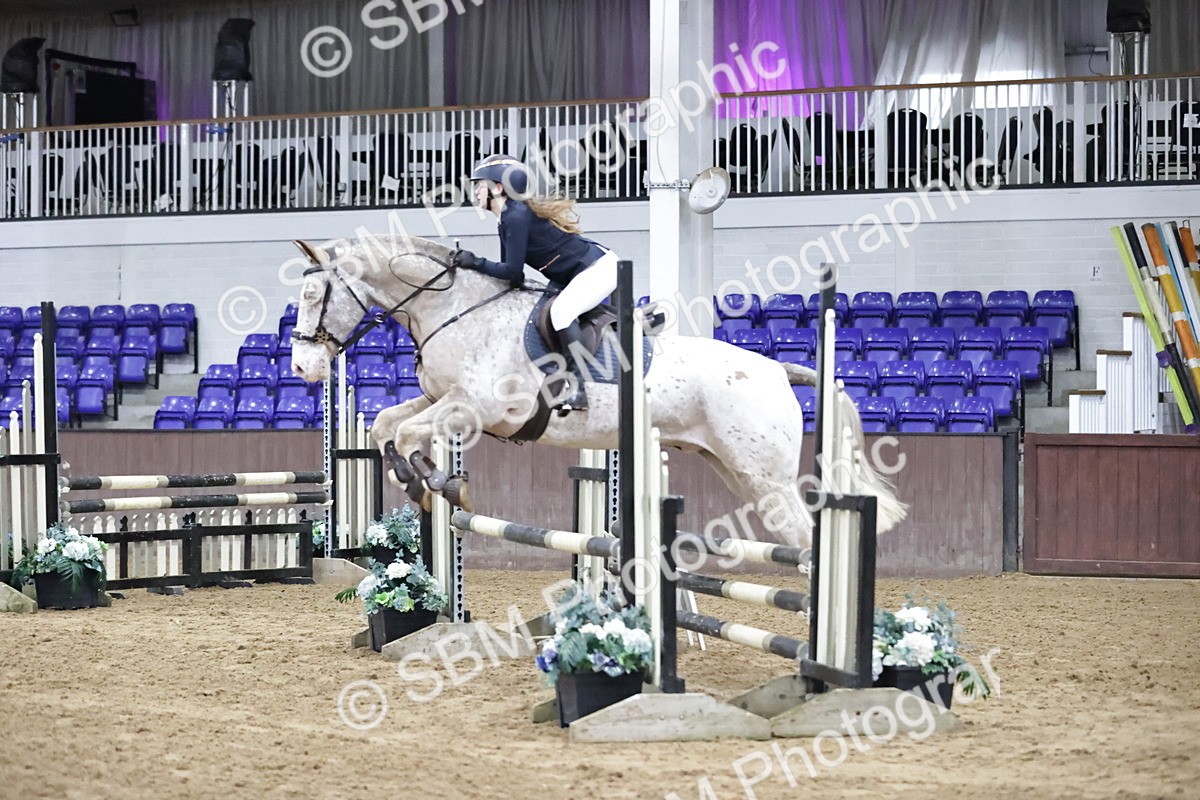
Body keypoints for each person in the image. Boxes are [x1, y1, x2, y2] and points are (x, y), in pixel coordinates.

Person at [452, 154, 619, 410]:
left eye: (480, 185)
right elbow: (513, 276)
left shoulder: (516, 217)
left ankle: (578, 389)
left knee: (562, 313)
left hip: (598, 269)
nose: (475, 191)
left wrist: (474, 262)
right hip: (579, 273)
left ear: (498, 188)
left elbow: (512, 272)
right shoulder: (507, 217)